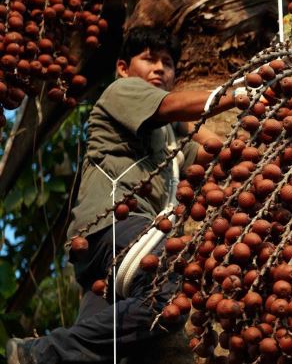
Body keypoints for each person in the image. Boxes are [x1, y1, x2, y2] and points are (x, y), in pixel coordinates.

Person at [7, 26, 235, 364]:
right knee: (171, 291)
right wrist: (243, 91)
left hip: (110, 253)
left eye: (168, 63)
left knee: (105, 352)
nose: (159, 68)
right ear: (123, 68)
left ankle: (38, 356)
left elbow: (213, 157)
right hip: (112, 225)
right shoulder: (122, 91)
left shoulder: (169, 139)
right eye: (149, 60)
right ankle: (41, 353)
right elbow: (176, 106)